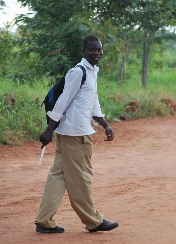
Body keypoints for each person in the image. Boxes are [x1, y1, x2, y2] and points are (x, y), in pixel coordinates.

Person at [36, 35, 119, 233]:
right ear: (84, 51)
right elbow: (63, 101)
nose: (97, 53)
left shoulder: (92, 72)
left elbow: (92, 103)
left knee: (58, 176)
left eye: (99, 49)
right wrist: (49, 129)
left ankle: (44, 220)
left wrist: (106, 125)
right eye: (92, 50)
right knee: (81, 178)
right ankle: (93, 220)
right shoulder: (78, 72)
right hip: (74, 135)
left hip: (74, 131)